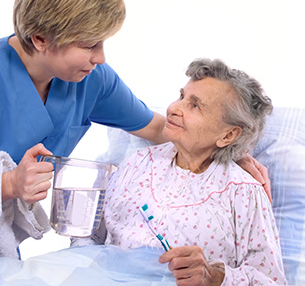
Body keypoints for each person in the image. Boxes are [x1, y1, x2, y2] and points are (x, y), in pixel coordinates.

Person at [0, 0, 269, 284]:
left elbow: (158, 127)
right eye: (90, 44)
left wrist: (228, 151)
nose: (101, 58)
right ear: (41, 38)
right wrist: (8, 185)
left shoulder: (89, 79)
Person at [102, 59, 287, 285]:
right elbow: (92, 237)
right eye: (181, 96)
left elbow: (272, 281)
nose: (173, 108)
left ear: (228, 136)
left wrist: (216, 277)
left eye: (195, 105)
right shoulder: (137, 163)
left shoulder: (244, 192)